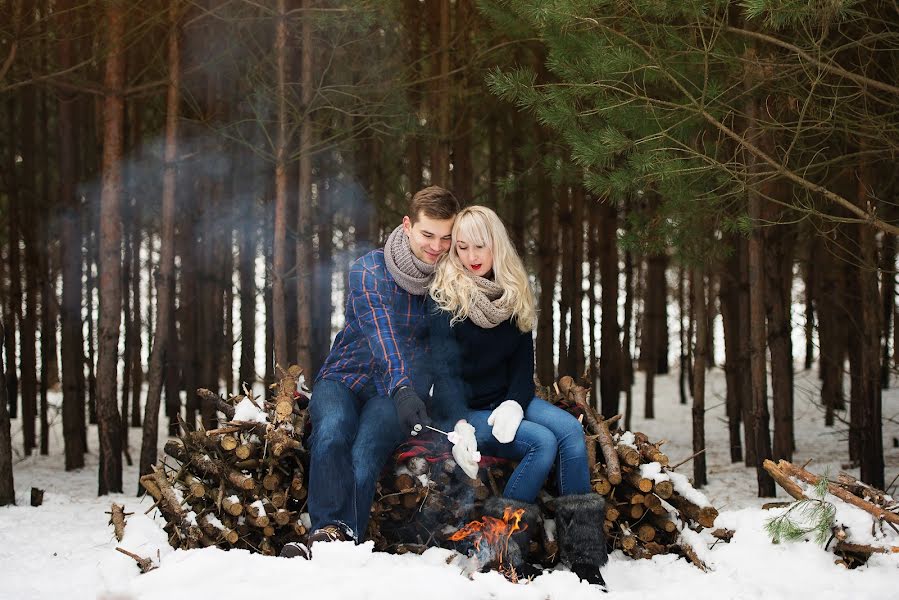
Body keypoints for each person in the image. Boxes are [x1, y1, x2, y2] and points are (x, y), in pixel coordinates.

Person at [428, 206, 607, 588]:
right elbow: (443, 375)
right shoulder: (445, 297)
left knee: (570, 434)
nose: (471, 257)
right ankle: (500, 546)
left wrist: (514, 402)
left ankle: (584, 555)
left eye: (480, 246)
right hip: (464, 410)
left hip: (506, 402)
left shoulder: (512, 293)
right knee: (540, 442)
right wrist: (461, 425)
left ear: (497, 246)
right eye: (461, 248)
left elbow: (523, 367)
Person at [280, 186, 461, 559]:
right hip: (346, 377)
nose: (436, 247)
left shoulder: (450, 282)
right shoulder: (369, 269)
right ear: (407, 225)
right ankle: (328, 530)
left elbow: (448, 349)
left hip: (394, 394)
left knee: (366, 448)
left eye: (446, 238)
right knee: (331, 432)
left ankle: (338, 539)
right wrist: (404, 389)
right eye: (428, 234)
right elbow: (383, 337)